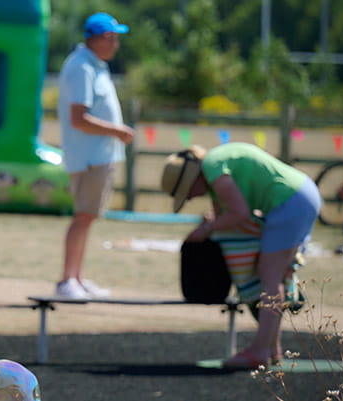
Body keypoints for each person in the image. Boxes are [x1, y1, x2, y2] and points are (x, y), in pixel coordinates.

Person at [161, 143, 320, 369]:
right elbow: (226, 215)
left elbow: (240, 214)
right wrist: (213, 225)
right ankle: (272, 349)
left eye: (187, 193)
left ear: (192, 179)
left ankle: (260, 351)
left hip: (290, 203)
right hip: (297, 198)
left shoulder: (213, 167)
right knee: (272, 275)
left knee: (270, 276)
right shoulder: (215, 168)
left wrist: (206, 230)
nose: (191, 198)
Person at [54, 12, 134, 300]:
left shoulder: (94, 65)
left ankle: (76, 277)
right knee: (82, 217)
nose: (116, 45)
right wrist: (117, 131)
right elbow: (79, 118)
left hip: (98, 156)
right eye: (112, 38)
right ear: (98, 38)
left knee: (86, 218)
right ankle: (67, 280)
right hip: (89, 157)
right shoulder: (81, 68)